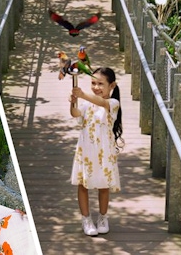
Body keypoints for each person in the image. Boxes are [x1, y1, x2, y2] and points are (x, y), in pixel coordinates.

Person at [68, 66, 123, 237]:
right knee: (83, 184)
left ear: (111, 85)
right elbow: (75, 113)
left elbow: (102, 103)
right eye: (93, 83)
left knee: (103, 185)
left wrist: (83, 94)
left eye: (101, 84)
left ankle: (103, 217)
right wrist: (73, 101)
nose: (96, 87)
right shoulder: (86, 104)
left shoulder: (113, 103)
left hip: (104, 151)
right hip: (86, 150)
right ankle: (86, 219)